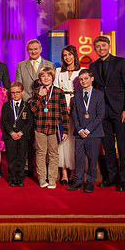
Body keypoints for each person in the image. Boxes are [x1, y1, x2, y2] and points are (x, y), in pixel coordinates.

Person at [91, 36, 125, 192]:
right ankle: (110, 178)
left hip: (120, 111)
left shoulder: (122, 62)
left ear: (109, 46)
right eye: (98, 46)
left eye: (103, 45)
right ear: (94, 49)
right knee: (108, 147)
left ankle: (124, 180)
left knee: (122, 147)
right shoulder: (93, 66)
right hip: (103, 112)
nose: (101, 48)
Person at [15, 39, 54, 178]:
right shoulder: (21, 65)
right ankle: (26, 167)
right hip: (28, 105)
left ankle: (44, 169)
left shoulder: (49, 65)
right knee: (27, 137)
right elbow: (19, 86)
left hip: (45, 107)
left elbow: (51, 86)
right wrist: (31, 100)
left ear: (41, 49)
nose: (33, 51)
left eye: (36, 49)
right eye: (30, 49)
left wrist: (41, 99)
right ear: (27, 50)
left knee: (44, 140)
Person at [29, 67, 69, 189]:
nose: (46, 78)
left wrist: (65, 130)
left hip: (53, 128)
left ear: (52, 78)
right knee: (41, 153)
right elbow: (33, 110)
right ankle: (42, 179)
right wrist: (40, 97)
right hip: (40, 127)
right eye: (43, 76)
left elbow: (64, 113)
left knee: (53, 154)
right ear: (40, 79)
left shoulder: (58, 92)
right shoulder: (36, 91)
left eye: (48, 76)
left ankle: (52, 179)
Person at [68, 69, 105, 193]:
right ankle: (78, 182)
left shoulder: (99, 94)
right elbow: (75, 115)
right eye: (81, 79)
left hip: (94, 133)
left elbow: (100, 115)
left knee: (92, 159)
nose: (83, 81)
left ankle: (90, 182)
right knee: (78, 159)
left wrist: (88, 130)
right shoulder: (77, 95)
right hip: (79, 134)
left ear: (92, 79)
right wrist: (79, 130)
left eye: (86, 78)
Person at [54, 45, 80, 185]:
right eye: (65, 55)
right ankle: (64, 172)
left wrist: (73, 105)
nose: (67, 57)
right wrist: (64, 106)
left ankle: (74, 171)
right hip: (62, 106)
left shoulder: (81, 71)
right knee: (63, 139)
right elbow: (56, 90)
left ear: (74, 55)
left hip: (77, 107)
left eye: (69, 54)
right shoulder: (58, 71)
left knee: (74, 139)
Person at [1, 82, 33, 187]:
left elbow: (29, 122)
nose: (15, 95)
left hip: (22, 136)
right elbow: (4, 121)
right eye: (13, 93)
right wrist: (11, 132)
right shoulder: (6, 106)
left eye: (18, 92)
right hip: (10, 136)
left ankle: (20, 178)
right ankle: (12, 178)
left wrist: (21, 132)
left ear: (22, 92)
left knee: (21, 158)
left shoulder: (26, 106)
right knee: (11, 158)